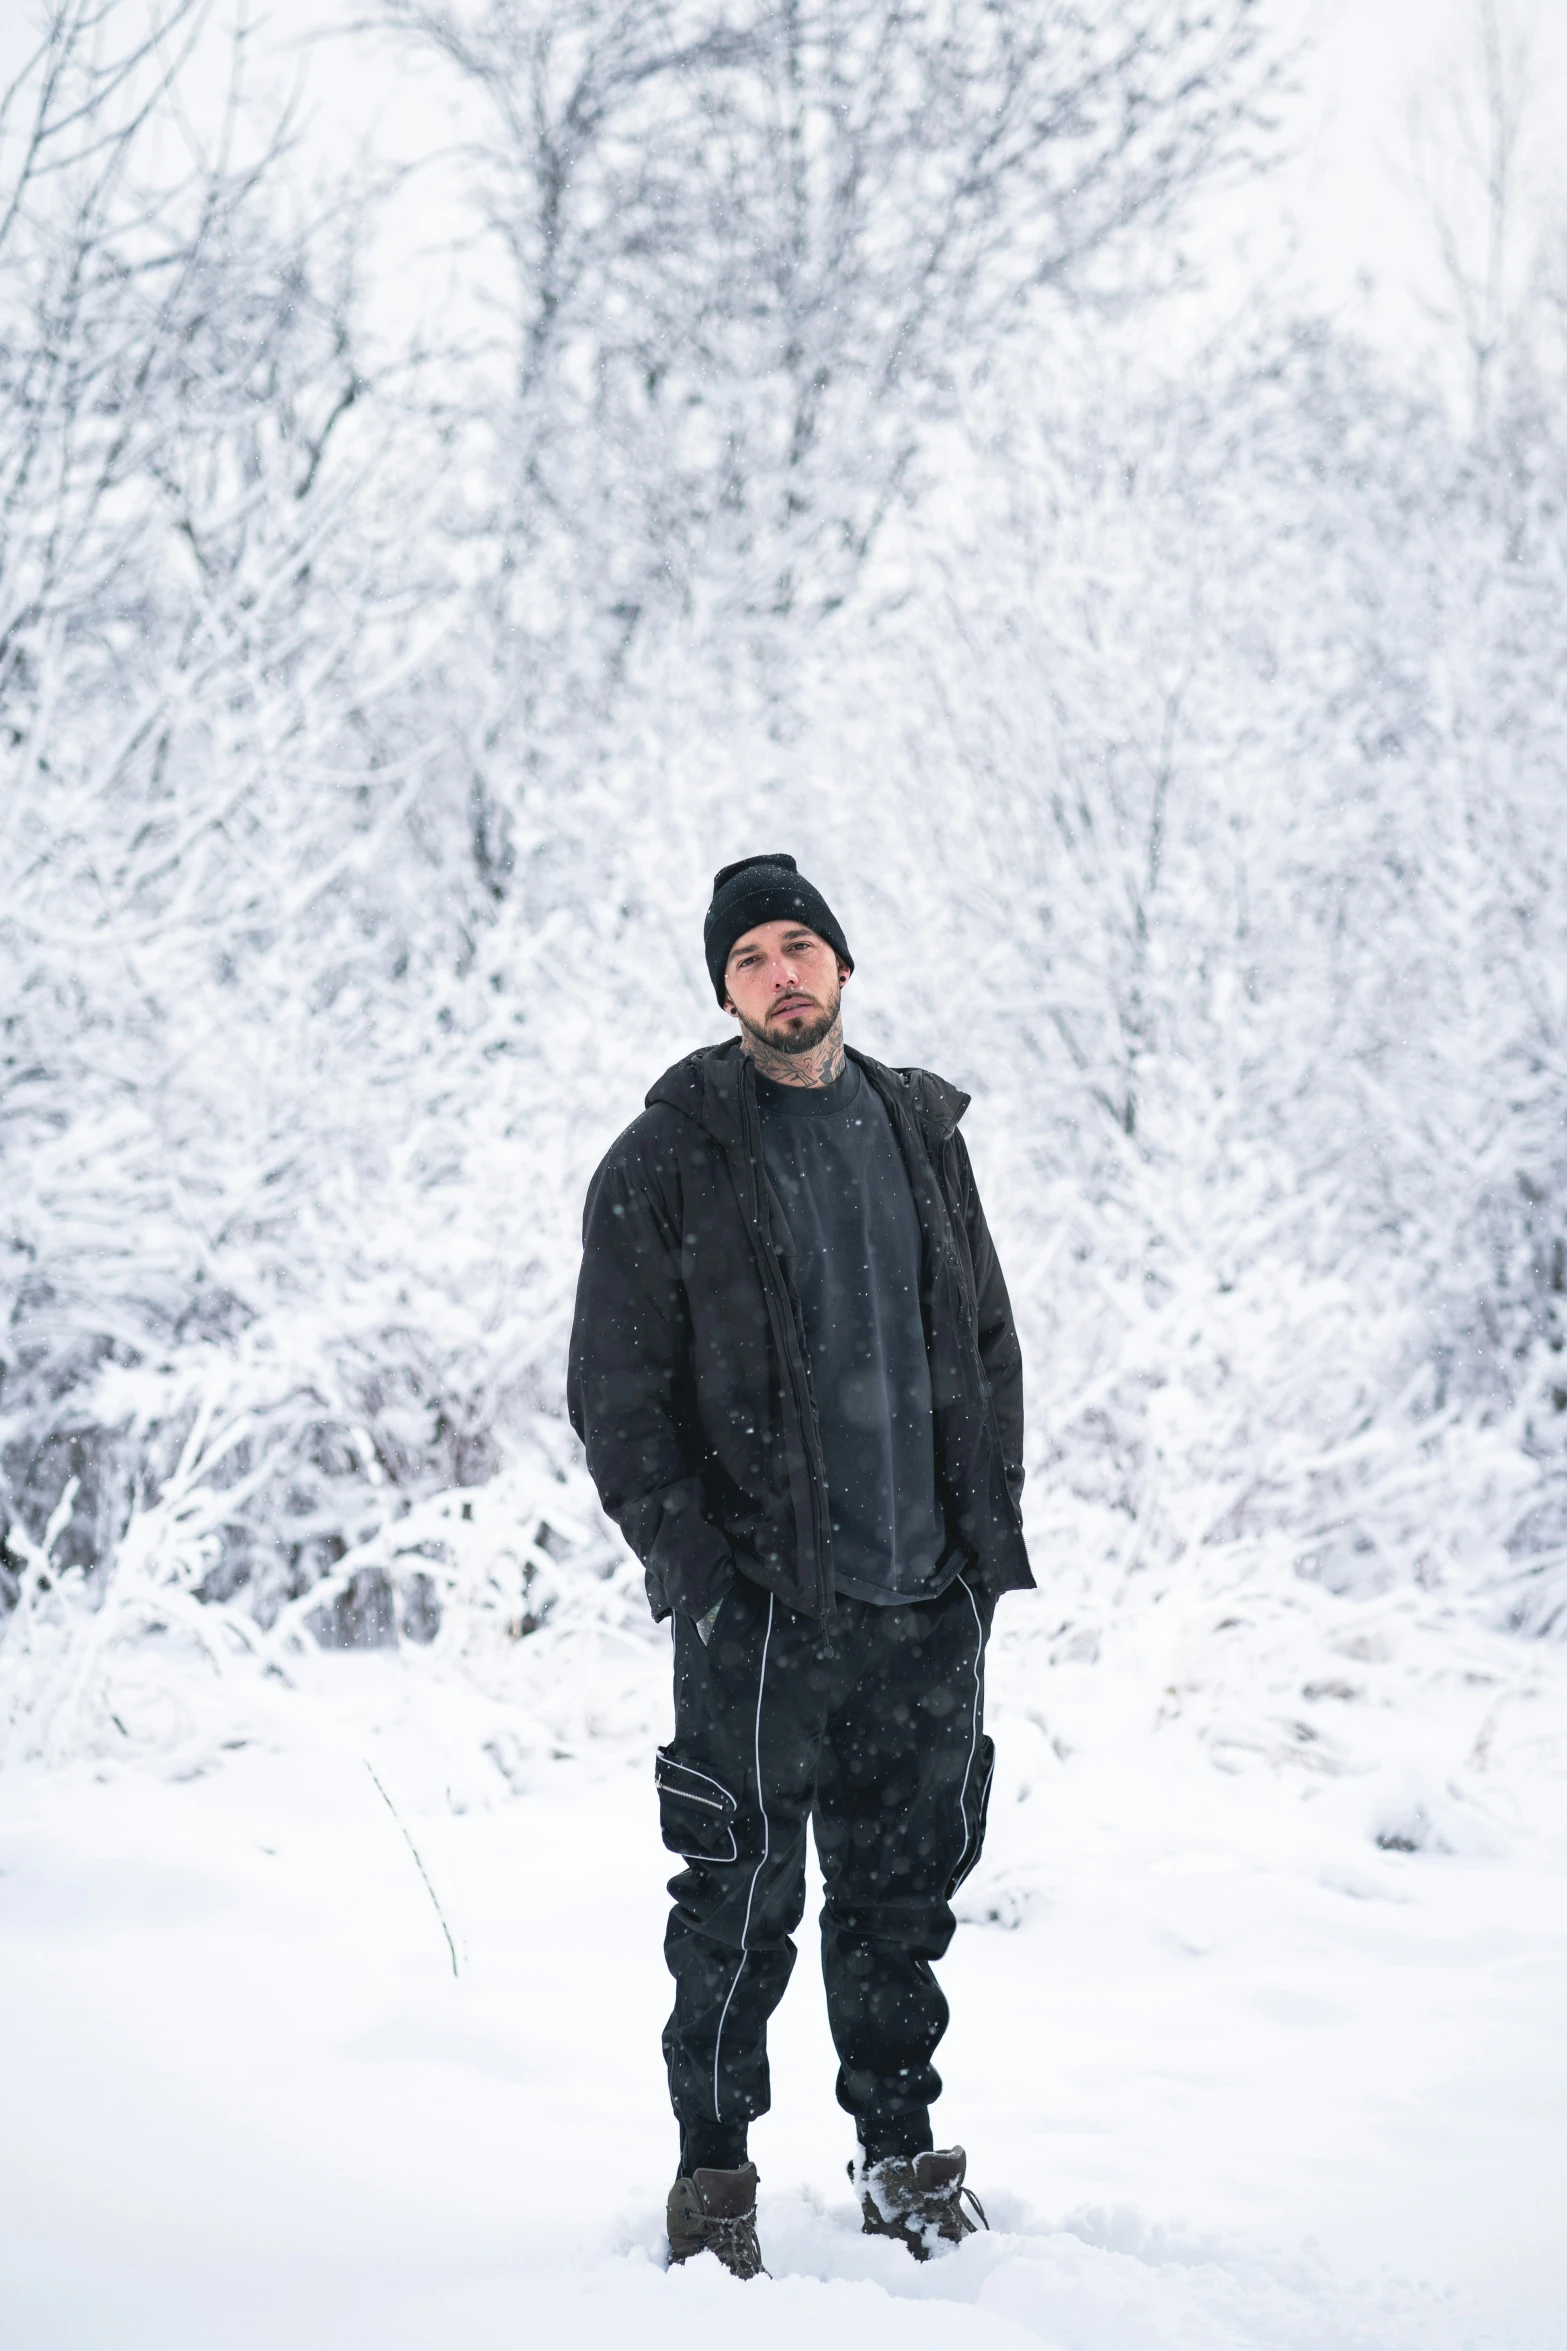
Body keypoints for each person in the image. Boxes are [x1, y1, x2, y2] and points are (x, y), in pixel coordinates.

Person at [568, 853, 1033, 2278]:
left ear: (840, 963)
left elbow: (990, 1348)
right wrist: (704, 1577)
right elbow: (618, 1398)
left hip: (921, 1604)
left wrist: (978, 1541)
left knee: (900, 1903)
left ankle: (899, 2151)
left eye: (799, 945)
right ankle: (714, 2179)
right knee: (733, 1908)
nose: (781, 971)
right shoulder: (670, 1156)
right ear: (724, 989)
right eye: (750, 956)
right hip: (763, 1618)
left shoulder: (917, 1130)